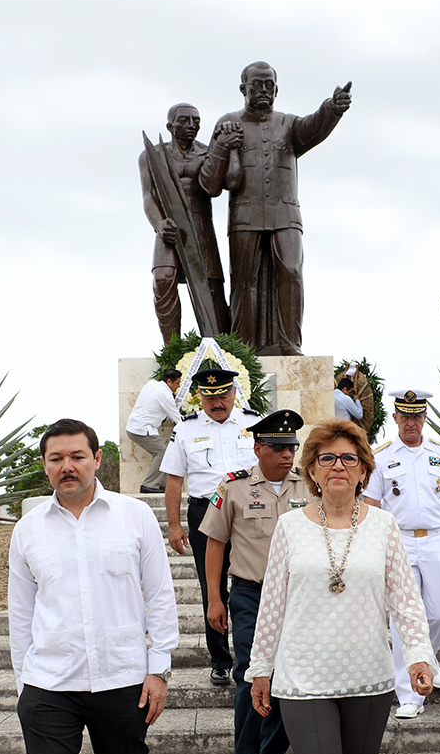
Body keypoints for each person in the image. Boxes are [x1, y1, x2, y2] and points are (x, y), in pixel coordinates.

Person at [247, 418, 435, 754]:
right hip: (303, 679)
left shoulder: (383, 526)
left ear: (363, 470)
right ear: (310, 469)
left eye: (348, 458)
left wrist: (419, 654)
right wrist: (261, 668)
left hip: (368, 678)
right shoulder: (288, 528)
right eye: (326, 458)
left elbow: (403, 596)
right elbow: (273, 602)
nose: (337, 467)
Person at [8, 418, 179, 754]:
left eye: (76, 456)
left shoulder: (132, 518)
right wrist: (24, 686)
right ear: (45, 464)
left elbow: (159, 596)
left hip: (120, 678)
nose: (67, 467)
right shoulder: (29, 529)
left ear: (97, 457)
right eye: (56, 458)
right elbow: (21, 613)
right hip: (51, 685)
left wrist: (159, 669)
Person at [199, 408, 311, 754]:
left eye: (292, 447)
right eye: (279, 447)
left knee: (289, 677)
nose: (287, 455)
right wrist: (215, 598)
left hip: (300, 597)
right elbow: (215, 543)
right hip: (251, 594)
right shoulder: (234, 488)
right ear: (258, 447)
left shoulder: (309, 487)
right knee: (250, 677)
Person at [202, 62, 351, 355]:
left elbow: (314, 126)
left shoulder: (288, 124)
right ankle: (243, 349)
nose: (264, 90)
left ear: (277, 90)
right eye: (257, 84)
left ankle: (289, 343)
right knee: (244, 282)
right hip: (245, 215)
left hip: (285, 214)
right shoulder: (228, 121)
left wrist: (332, 108)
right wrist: (222, 144)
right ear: (243, 89)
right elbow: (210, 183)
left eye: (269, 84)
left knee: (291, 272)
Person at [362, 388, 440, 718]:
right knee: (402, 618)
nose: (411, 422)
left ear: (424, 417)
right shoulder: (380, 457)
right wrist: (373, 548)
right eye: (405, 416)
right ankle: (409, 695)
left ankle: (427, 656)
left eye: (417, 416)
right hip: (399, 541)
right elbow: (371, 505)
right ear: (395, 417)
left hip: (439, 540)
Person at [161, 367, 261, 685]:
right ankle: (220, 659)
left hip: (249, 513)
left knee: (254, 583)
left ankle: (256, 656)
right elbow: (174, 480)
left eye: (223, 394)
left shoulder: (253, 423)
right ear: (199, 397)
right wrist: (175, 526)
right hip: (205, 513)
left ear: (234, 393)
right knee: (212, 589)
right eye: (210, 396)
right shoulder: (186, 429)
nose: (217, 401)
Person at [139, 103, 237, 341]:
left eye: (196, 120)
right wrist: (160, 225)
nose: (192, 125)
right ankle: (171, 347)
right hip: (169, 229)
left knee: (212, 289)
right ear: (170, 126)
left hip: (201, 227)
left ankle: (219, 345)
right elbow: (149, 196)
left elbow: (222, 184)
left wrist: (227, 146)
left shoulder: (206, 153)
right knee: (163, 279)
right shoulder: (152, 155)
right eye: (184, 120)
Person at [126, 368, 183, 494]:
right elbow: (177, 418)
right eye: (177, 383)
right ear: (169, 382)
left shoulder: (151, 384)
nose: (178, 387)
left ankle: (161, 485)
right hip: (141, 429)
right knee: (162, 453)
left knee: (163, 452)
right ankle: (149, 485)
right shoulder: (165, 395)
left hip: (134, 427)